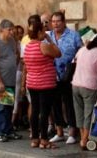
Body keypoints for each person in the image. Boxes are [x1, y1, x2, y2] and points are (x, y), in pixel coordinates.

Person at [21, 14, 61, 149]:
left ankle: (34, 139)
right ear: (39, 32)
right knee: (44, 111)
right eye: (43, 31)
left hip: (32, 83)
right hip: (45, 83)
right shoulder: (43, 46)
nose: (45, 33)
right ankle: (44, 138)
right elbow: (58, 53)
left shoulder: (27, 47)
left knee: (35, 110)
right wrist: (50, 39)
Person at [48, 11, 83, 145]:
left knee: (69, 104)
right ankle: (59, 132)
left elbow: (80, 52)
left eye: (58, 21)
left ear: (64, 22)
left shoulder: (74, 35)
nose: (55, 24)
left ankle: (73, 133)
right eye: (53, 21)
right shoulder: (48, 36)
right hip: (52, 74)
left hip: (68, 75)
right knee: (55, 104)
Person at [72, 34, 97, 150]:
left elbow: (74, 63)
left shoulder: (82, 50)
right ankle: (84, 140)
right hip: (89, 86)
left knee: (79, 112)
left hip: (76, 83)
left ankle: (83, 136)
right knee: (88, 114)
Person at [0, 19, 21, 142]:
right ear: (2, 30)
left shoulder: (12, 41)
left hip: (11, 79)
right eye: (9, 30)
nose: (12, 32)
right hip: (1, 81)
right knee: (0, 107)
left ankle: (8, 130)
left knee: (9, 106)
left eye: (12, 29)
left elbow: (16, 54)